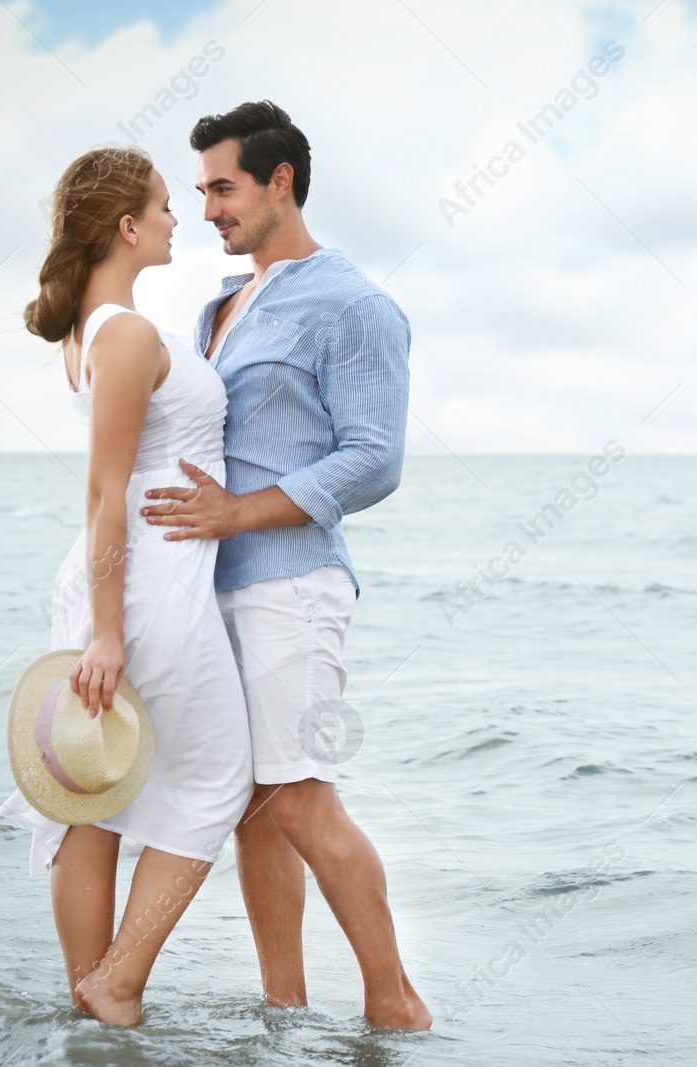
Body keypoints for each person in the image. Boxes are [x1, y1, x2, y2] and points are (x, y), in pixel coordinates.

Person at [141, 101, 431, 1030]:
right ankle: (285, 1011)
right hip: (212, 587)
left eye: (223, 188)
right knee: (253, 809)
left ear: (280, 181)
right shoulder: (220, 306)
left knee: (301, 800)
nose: (208, 209)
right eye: (198, 192)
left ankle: (397, 1008)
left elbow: (374, 458)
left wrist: (238, 512)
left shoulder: (354, 304)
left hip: (292, 584)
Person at [0, 146, 254, 1027]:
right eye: (163, 205)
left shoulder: (90, 334)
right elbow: (107, 492)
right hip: (149, 586)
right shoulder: (131, 334)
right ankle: (116, 981)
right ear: (127, 226)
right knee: (220, 780)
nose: (180, 217)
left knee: (96, 796)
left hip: (124, 580)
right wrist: (109, 633)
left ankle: (92, 1000)